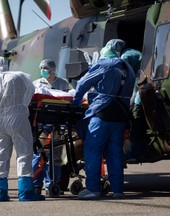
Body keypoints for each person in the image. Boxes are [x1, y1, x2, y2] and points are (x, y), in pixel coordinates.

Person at [0, 57, 45, 202]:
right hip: (18, 117)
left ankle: (0, 193)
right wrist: (20, 105)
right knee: (24, 154)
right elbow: (30, 92)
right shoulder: (20, 76)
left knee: (0, 156)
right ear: (7, 64)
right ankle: (25, 192)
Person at [73, 39, 135, 199]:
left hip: (102, 114)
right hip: (120, 116)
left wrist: (76, 102)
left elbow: (82, 84)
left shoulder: (105, 64)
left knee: (93, 150)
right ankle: (118, 190)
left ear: (106, 50)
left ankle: (93, 189)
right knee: (115, 153)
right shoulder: (128, 68)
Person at [32, 59, 72, 195]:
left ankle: (53, 183)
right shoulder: (36, 84)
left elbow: (70, 98)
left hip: (58, 124)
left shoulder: (63, 83)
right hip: (42, 126)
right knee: (39, 154)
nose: (42, 70)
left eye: (45, 68)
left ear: (52, 69)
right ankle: (36, 184)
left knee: (56, 157)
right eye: (41, 68)